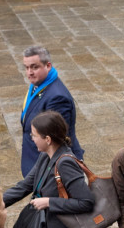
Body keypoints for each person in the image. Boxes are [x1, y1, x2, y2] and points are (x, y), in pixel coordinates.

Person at [20, 45, 84, 177]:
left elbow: (56, 141)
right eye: (26, 68)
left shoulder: (57, 97)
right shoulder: (37, 85)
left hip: (49, 169)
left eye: (34, 67)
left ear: (48, 66)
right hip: (34, 160)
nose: (29, 72)